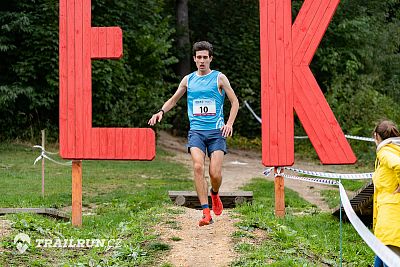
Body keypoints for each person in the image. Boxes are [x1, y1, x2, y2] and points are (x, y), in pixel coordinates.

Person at [148, 41, 239, 226]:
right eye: (199, 57)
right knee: (198, 167)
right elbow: (173, 100)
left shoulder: (219, 78)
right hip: (196, 132)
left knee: (215, 173)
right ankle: (206, 212)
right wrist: (161, 112)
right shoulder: (188, 80)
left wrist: (229, 124)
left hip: (216, 132)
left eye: (205, 57)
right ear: (194, 59)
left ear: (210, 58)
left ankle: (214, 193)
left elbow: (235, 102)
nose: (202, 61)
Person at [372, 120, 400, 266]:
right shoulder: (395, 149)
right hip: (387, 218)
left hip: (391, 219)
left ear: (376, 136)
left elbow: (398, 165)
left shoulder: (384, 151)